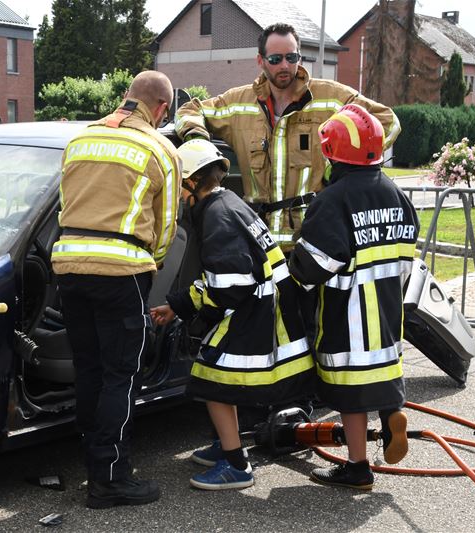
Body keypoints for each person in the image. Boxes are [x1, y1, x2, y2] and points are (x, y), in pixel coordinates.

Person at [150, 139, 314, 490]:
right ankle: (226, 445)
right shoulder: (227, 202)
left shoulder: (217, 215)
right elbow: (222, 279)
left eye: (178, 186)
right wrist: (178, 305)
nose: (176, 196)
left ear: (192, 182)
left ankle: (237, 465)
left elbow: (230, 285)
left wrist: (186, 305)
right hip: (261, 304)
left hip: (255, 309)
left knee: (212, 379)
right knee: (219, 380)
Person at [50, 70, 182, 508]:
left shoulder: (80, 139)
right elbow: (165, 228)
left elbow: (68, 203)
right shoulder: (160, 148)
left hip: (67, 267)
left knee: (88, 368)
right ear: (161, 108)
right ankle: (110, 478)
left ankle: (92, 459)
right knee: (120, 376)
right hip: (121, 272)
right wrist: (152, 264)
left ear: (127, 98)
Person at [174, 22, 401, 249]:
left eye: (291, 58)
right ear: (260, 61)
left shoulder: (331, 98)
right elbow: (189, 111)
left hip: (313, 241)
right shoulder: (238, 104)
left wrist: (345, 168)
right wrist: (199, 144)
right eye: (275, 59)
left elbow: (387, 122)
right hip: (257, 243)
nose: (285, 65)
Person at [289, 104, 417, 489]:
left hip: (347, 318)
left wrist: (290, 264)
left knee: (350, 393)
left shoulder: (333, 200)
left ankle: (358, 467)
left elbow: (312, 268)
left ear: (330, 152)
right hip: (388, 314)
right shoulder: (397, 193)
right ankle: (392, 412)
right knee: (380, 375)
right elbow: (407, 259)